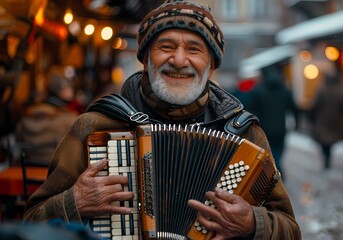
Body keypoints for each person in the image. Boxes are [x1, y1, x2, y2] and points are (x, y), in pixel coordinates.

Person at [23, 1, 301, 239]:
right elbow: (31, 223)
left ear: (212, 64)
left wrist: (253, 223)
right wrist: (75, 202)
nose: (179, 60)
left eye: (194, 49)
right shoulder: (95, 126)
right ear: (145, 58)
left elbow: (290, 230)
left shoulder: (244, 135)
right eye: (166, 46)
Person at [15, 65, 79, 165]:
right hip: (56, 175)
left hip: (27, 172)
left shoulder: (27, 115)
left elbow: (18, 142)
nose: (72, 90)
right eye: (69, 86)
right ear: (61, 91)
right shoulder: (69, 119)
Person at [248, 65, 298, 179]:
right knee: (278, 153)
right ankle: (277, 171)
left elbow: (251, 108)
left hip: (265, 128)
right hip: (281, 128)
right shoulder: (285, 91)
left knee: (270, 154)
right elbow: (294, 108)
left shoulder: (258, 91)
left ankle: (277, 173)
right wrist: (297, 122)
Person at [309, 73, 343, 169]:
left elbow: (314, 106)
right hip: (334, 121)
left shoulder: (321, 91)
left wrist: (312, 117)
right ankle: (328, 157)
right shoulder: (340, 92)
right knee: (329, 141)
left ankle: (326, 157)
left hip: (322, 121)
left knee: (324, 141)